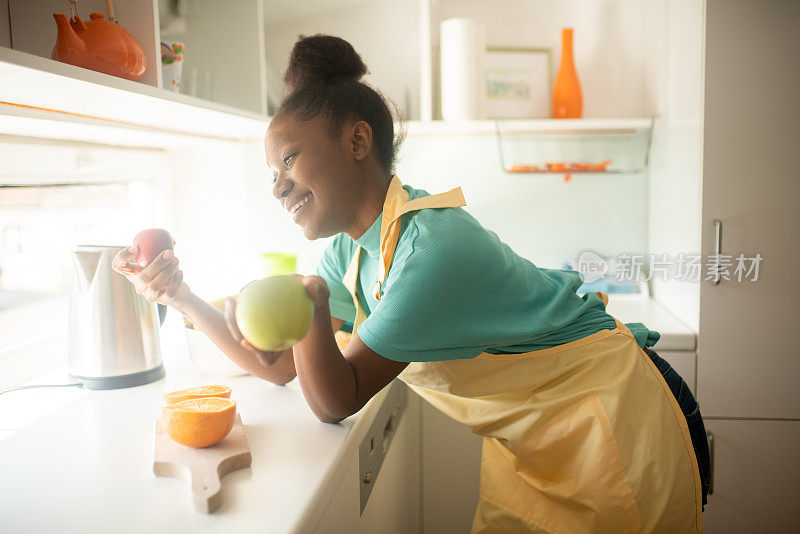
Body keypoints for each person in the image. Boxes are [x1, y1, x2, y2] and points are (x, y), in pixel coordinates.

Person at [113, 34, 709, 534]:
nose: (278, 187)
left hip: (613, 428)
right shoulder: (353, 248)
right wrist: (180, 298)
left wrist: (311, 303)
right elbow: (276, 365)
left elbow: (335, 400)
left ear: (357, 141)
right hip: (533, 448)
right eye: (272, 172)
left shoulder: (432, 252)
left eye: (289, 159)